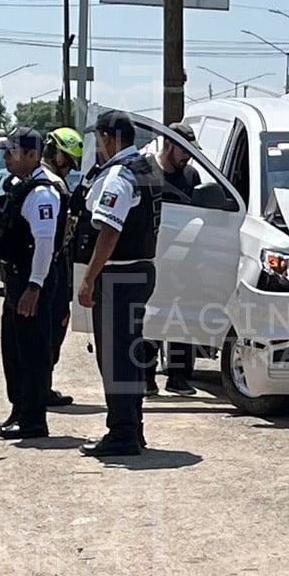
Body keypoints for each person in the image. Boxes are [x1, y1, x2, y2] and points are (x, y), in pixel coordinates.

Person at [75, 110, 162, 457]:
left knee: (115, 359)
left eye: (99, 140)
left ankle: (122, 433)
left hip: (119, 275)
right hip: (140, 271)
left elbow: (110, 231)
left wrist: (89, 278)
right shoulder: (146, 168)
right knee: (129, 354)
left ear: (110, 138)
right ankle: (132, 427)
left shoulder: (119, 176)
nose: (98, 148)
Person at [0, 126, 64, 440]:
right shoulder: (21, 186)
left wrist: (34, 286)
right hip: (18, 279)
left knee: (32, 353)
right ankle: (19, 411)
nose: (6, 157)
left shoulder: (42, 193)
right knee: (14, 350)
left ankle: (33, 419)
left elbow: (44, 244)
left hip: (33, 281)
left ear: (32, 155)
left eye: (12, 151)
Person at [143, 122, 202, 396]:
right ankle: (145, 376)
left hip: (184, 260)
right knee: (150, 317)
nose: (186, 157)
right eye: (183, 150)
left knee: (181, 316)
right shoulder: (146, 172)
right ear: (167, 144)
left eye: (190, 152)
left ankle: (179, 377)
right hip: (152, 257)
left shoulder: (191, 176)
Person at [41, 126, 85, 407]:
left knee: (52, 328)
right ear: (56, 154)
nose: (69, 169)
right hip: (51, 268)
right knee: (51, 329)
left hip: (51, 267)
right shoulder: (52, 185)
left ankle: (41, 385)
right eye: (68, 161)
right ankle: (41, 387)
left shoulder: (50, 181)